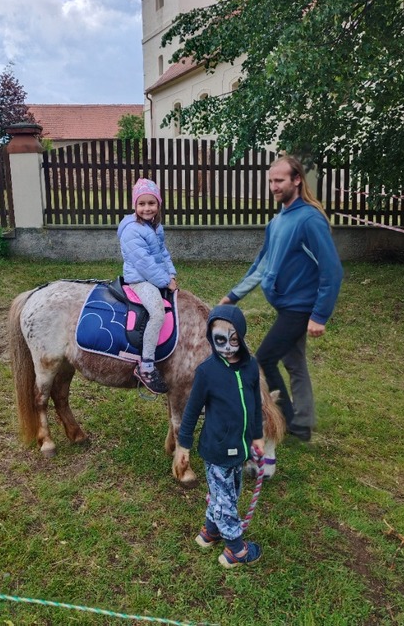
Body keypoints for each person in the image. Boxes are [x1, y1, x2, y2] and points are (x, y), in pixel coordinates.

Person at [219, 153, 343, 441]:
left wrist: (319, 315)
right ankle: (304, 421)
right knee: (294, 363)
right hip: (286, 306)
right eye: (271, 181)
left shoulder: (309, 219)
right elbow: (262, 265)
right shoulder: (278, 221)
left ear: (297, 180)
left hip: (299, 308)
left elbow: (332, 271)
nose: (274, 186)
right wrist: (233, 296)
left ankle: (288, 420)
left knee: (264, 359)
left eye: (280, 180)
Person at [176, 305, 264, 568]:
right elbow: (191, 411)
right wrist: (183, 445)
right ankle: (235, 550)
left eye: (233, 340)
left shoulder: (250, 367)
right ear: (211, 339)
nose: (226, 347)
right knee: (226, 500)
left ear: (242, 336)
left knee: (228, 493)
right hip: (217, 450)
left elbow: (255, 405)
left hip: (240, 447)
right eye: (219, 340)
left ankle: (210, 532)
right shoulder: (207, 372)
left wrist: (257, 436)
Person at [118, 177, 178, 394]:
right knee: (158, 313)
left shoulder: (155, 226)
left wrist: (171, 273)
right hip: (140, 280)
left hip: (155, 276)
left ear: (158, 204)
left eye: (151, 203)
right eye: (141, 203)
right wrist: (165, 281)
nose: (147, 208)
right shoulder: (132, 230)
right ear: (134, 205)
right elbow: (144, 264)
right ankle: (146, 366)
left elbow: (162, 253)